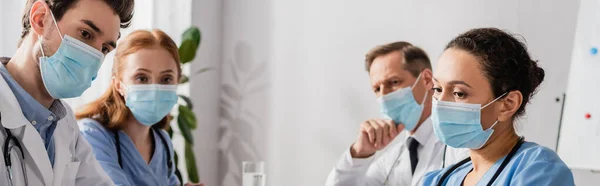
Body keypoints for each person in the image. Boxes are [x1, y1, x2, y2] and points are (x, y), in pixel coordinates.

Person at [0, 0, 134, 185]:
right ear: (40, 19)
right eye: (86, 34)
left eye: (104, 49)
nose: (93, 58)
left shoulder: (64, 124)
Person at [422, 28, 575, 186]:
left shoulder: (540, 171)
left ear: (508, 104)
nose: (441, 102)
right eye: (437, 89)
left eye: (459, 93)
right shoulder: (439, 180)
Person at [325, 42, 468, 186]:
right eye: (377, 89)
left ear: (426, 79)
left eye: (393, 82)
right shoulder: (392, 159)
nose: (383, 96)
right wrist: (360, 152)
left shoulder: (461, 142)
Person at [75, 30, 203, 186]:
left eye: (166, 79)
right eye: (142, 78)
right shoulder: (92, 135)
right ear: (118, 85)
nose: (155, 88)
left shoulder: (162, 142)